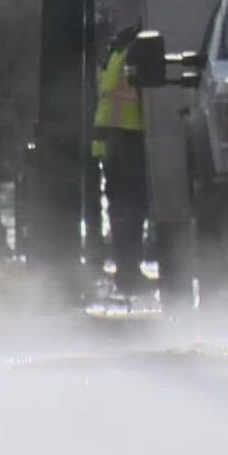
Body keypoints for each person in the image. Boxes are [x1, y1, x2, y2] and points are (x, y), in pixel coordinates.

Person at [91, 25, 149, 295]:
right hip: (129, 137)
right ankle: (128, 271)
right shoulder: (133, 53)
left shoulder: (116, 53)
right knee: (132, 209)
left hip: (112, 139)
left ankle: (126, 270)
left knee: (121, 208)